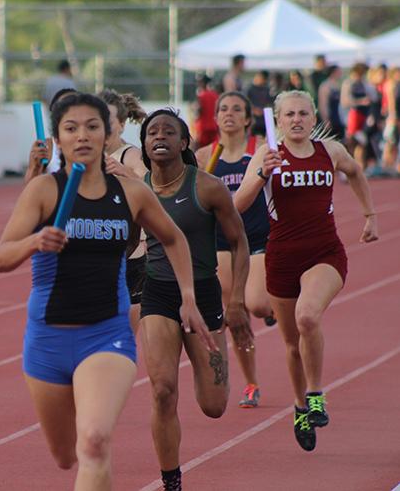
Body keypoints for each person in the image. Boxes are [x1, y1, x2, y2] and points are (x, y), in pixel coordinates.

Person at [0, 93, 217, 490]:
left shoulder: (130, 193)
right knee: (66, 456)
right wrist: (35, 242)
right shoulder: (45, 191)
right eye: (71, 128)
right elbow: (2, 257)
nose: (82, 135)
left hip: (106, 335)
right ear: (57, 138)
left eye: (92, 126)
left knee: (95, 442)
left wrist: (187, 296)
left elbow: (174, 238)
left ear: (109, 132)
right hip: (48, 339)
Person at [234, 90, 378, 452]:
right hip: (281, 257)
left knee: (308, 317)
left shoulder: (329, 152)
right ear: (278, 121)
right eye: (289, 115)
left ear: (313, 118)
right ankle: (300, 407)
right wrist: (258, 176)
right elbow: (237, 205)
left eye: (303, 113)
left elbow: (356, 172)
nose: (296, 120)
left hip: (324, 253)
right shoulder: (266, 156)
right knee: (291, 344)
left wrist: (370, 216)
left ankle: (315, 395)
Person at [139, 108, 251, 490]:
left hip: (203, 295)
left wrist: (236, 300)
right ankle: (171, 480)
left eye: (168, 132)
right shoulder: (138, 189)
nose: (159, 136)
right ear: (144, 144)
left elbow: (238, 241)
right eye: (152, 131)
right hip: (158, 292)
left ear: (183, 143)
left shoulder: (206, 187)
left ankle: (205, 363)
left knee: (214, 406)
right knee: (162, 389)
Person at [195, 91, 274, 410]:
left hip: (254, 237)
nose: (228, 113)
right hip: (218, 241)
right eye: (223, 109)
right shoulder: (204, 156)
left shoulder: (260, 150)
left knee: (255, 303)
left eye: (236, 109)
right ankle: (251, 383)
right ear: (215, 118)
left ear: (246, 118)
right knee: (233, 315)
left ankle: (271, 307)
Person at [98, 88, 147, 334]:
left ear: (122, 124)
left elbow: (151, 188)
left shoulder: (130, 155)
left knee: (123, 337)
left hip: (132, 258)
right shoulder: (85, 158)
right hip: (98, 255)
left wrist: (123, 172)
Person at [23, 87, 78, 183]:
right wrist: (34, 168)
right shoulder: (47, 148)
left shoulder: (91, 144)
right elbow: (29, 190)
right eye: (64, 107)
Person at [191, 74, 219, 149]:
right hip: (214, 127)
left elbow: (197, 111)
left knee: (200, 151)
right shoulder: (215, 95)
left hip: (203, 128)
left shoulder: (201, 96)